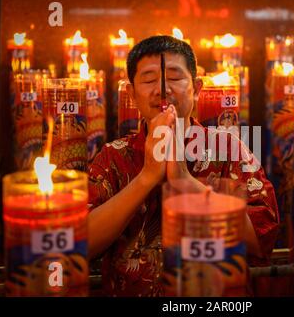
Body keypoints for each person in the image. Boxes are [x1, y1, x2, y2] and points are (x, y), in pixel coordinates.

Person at [87, 35, 279, 296]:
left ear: (197, 88)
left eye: (175, 78)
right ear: (131, 94)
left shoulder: (229, 149)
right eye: (148, 79)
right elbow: (81, 244)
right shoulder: (113, 157)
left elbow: (260, 240)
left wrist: (183, 180)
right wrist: (146, 178)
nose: (162, 89)